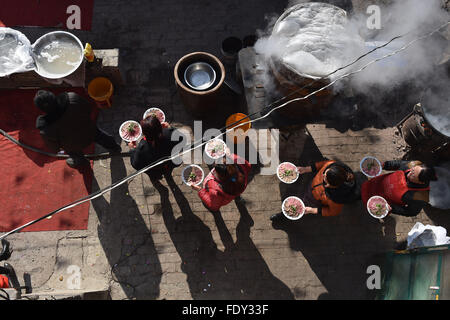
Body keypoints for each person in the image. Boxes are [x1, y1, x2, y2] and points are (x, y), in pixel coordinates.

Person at [34, 90, 121, 168]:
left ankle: (81, 162)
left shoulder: (45, 128)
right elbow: (88, 108)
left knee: (74, 154)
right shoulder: (72, 98)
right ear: (54, 96)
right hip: (90, 131)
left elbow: (54, 148)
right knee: (101, 136)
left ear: (41, 109)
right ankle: (115, 147)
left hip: (72, 146)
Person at [271, 159, 363, 221]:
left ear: (331, 186)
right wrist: (306, 169)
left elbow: (332, 212)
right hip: (312, 186)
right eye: (325, 173)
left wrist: (312, 210)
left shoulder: (336, 200)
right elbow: (323, 164)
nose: (323, 175)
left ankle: (285, 215)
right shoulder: (331, 165)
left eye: (325, 180)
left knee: (298, 206)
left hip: (315, 200)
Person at [361, 160, 437, 217]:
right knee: (365, 188)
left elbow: (411, 212)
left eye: (413, 176)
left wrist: (392, 208)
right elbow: (399, 164)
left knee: (371, 207)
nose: (409, 173)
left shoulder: (421, 196)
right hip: (377, 183)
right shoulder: (414, 164)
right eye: (412, 170)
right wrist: (385, 165)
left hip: (382, 203)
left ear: (421, 182)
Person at [129, 115, 185, 181]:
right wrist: (169, 127)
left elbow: (136, 165)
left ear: (144, 133)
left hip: (154, 169)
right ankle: (167, 174)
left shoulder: (141, 148)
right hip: (169, 162)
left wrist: (132, 149)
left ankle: (158, 178)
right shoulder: (170, 134)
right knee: (168, 170)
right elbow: (182, 139)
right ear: (160, 126)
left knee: (155, 176)